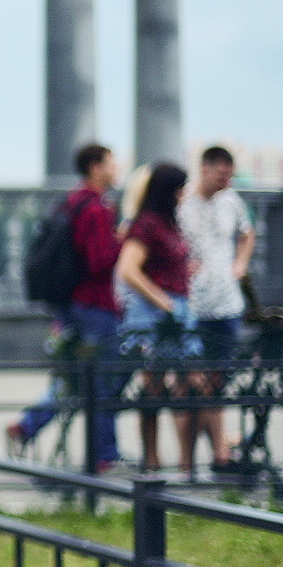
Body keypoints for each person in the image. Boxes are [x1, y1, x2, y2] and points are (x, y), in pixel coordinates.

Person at [6, 144, 122, 471]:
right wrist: (123, 240)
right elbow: (100, 261)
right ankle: (104, 456)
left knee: (73, 377)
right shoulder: (97, 209)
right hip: (97, 307)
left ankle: (28, 424)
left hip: (70, 304)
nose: (116, 169)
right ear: (95, 166)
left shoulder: (72, 201)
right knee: (103, 381)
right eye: (112, 163)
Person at [116, 162, 222, 477]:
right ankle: (153, 462)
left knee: (192, 386)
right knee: (153, 389)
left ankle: (186, 463)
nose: (184, 194)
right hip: (156, 316)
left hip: (178, 313)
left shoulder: (167, 223)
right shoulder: (146, 224)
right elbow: (128, 269)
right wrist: (161, 299)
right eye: (179, 188)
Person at [177, 146, 255, 457]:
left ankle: (217, 455)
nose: (226, 179)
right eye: (221, 173)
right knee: (191, 382)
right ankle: (199, 458)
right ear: (204, 168)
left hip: (227, 303)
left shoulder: (232, 201)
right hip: (192, 304)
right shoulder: (182, 201)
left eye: (230, 174)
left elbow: (247, 234)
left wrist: (241, 264)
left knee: (217, 381)